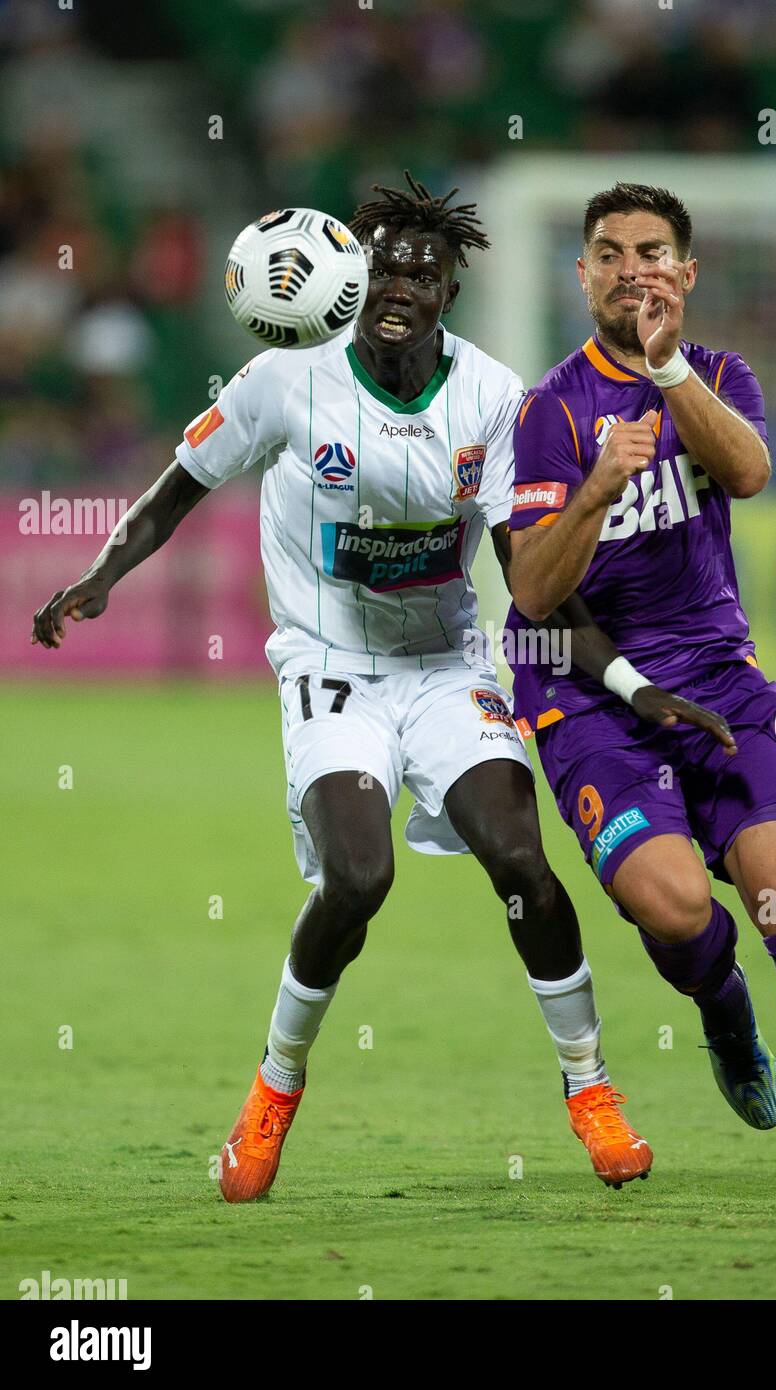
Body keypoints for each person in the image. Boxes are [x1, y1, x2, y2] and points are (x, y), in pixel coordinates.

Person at [30, 175, 654, 1200]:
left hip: (446, 666)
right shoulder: (285, 380)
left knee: (523, 864)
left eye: (422, 268)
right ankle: (275, 1089)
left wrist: (628, 682)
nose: (399, 281)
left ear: (450, 290)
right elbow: (177, 487)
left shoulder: (497, 400)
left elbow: (531, 580)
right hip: (330, 670)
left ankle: (589, 1090)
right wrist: (100, 576)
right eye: (382, 264)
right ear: (351, 276)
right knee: (358, 880)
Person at [505, 182, 776, 1208]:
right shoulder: (548, 411)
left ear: (686, 273)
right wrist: (598, 487)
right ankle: (719, 995)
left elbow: (745, 471)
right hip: (590, 693)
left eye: (651, 251)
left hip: (718, 677)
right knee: (675, 905)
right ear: (581, 274)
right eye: (608, 252)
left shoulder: (716, 376)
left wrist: (664, 375)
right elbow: (530, 592)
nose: (630, 268)